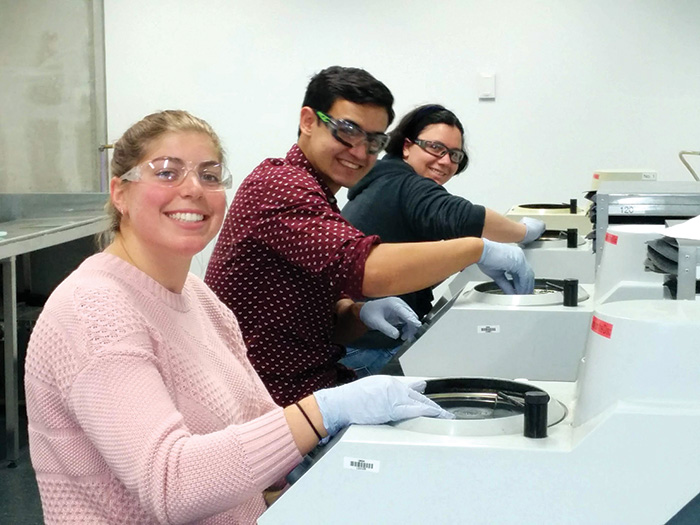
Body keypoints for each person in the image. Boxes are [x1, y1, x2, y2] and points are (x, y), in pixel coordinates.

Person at [23, 110, 452, 525]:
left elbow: (258, 436)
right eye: (168, 172)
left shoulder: (197, 296)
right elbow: (172, 485)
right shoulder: (93, 311)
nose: (193, 188)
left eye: (209, 175)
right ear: (120, 192)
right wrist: (322, 410)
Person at [205, 66, 535, 406]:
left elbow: (312, 316)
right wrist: (478, 249)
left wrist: (358, 315)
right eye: (347, 131)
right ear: (307, 121)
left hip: (316, 385)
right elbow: (367, 269)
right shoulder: (280, 185)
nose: (361, 152)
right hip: (271, 403)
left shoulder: (320, 195)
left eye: (374, 141)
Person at [343, 103, 546, 321]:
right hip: (366, 339)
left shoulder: (385, 179)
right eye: (435, 147)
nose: (445, 161)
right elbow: (466, 217)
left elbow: (410, 272)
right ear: (406, 146)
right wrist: (524, 231)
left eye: (454, 154)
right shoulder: (404, 184)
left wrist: (459, 258)